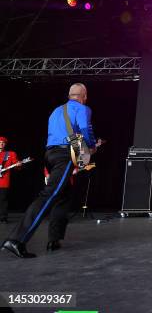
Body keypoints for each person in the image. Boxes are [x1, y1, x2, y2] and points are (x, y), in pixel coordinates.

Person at [2, 83, 97, 258]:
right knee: (49, 195)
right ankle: (17, 239)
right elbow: (84, 129)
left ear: (69, 95)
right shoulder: (83, 108)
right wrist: (91, 147)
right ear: (84, 96)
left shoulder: (56, 111)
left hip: (50, 154)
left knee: (63, 195)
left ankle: (54, 239)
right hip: (64, 154)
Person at [0, 137, 22, 223]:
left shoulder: (10, 154)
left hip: (3, 181)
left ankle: (3, 217)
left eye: (3, 143)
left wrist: (18, 164)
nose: (1, 144)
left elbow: (17, 166)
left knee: (3, 199)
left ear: (5, 144)